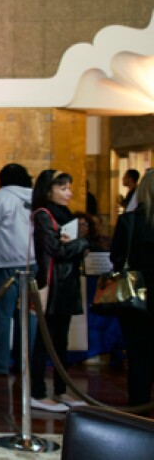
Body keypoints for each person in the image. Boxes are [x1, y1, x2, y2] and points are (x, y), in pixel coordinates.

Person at [29, 169, 89, 412]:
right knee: (44, 342)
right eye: (63, 188)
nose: (69, 193)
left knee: (60, 341)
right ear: (49, 189)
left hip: (66, 284)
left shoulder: (64, 215)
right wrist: (81, 244)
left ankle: (61, 390)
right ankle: (37, 392)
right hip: (51, 284)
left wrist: (76, 244)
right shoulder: (44, 214)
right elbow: (57, 250)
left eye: (69, 188)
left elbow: (67, 247)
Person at [0, 163, 35, 375]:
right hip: (31, 264)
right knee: (28, 317)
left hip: (2, 264)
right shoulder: (37, 198)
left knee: (1, 317)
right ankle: (25, 363)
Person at [110, 169, 154, 409]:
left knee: (138, 355)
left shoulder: (130, 221)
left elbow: (117, 258)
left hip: (136, 296)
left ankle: (139, 404)